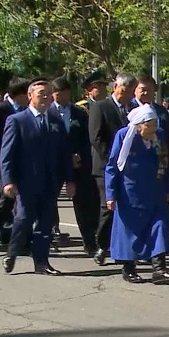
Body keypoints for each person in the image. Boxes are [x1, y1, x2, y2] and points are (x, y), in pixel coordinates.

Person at [0, 79, 74, 275]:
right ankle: (12, 252)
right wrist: (7, 180)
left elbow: (64, 153)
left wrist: (69, 179)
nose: (46, 97)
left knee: (45, 223)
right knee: (23, 219)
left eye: (49, 94)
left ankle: (42, 263)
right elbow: (7, 153)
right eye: (42, 94)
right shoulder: (17, 120)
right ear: (30, 96)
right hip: (26, 181)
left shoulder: (55, 121)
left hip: (50, 181)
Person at [105, 106, 169, 285]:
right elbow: (113, 165)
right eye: (149, 126)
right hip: (130, 193)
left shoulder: (158, 136)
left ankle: (159, 269)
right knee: (130, 232)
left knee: (159, 226)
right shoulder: (124, 136)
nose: (153, 130)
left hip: (155, 191)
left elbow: (164, 163)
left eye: (154, 125)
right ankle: (129, 268)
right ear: (139, 125)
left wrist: (167, 187)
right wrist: (111, 194)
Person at [90, 73, 137, 266]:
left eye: (130, 93)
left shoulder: (134, 109)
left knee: (126, 209)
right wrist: (114, 158)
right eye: (124, 91)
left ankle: (122, 247)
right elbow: (96, 137)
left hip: (129, 170)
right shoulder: (100, 107)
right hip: (105, 167)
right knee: (108, 207)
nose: (126, 96)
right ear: (115, 87)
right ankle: (102, 245)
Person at [52, 76, 99, 255]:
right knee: (49, 203)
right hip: (55, 165)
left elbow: (87, 140)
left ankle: (90, 242)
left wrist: (79, 156)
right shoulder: (47, 113)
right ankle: (48, 237)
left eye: (63, 93)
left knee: (83, 205)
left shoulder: (79, 113)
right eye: (56, 94)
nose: (60, 97)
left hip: (77, 165)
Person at [0, 78, 29, 255]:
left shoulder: (27, 110)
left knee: (23, 204)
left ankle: (20, 240)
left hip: (24, 164)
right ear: (19, 94)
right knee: (4, 204)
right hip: (3, 165)